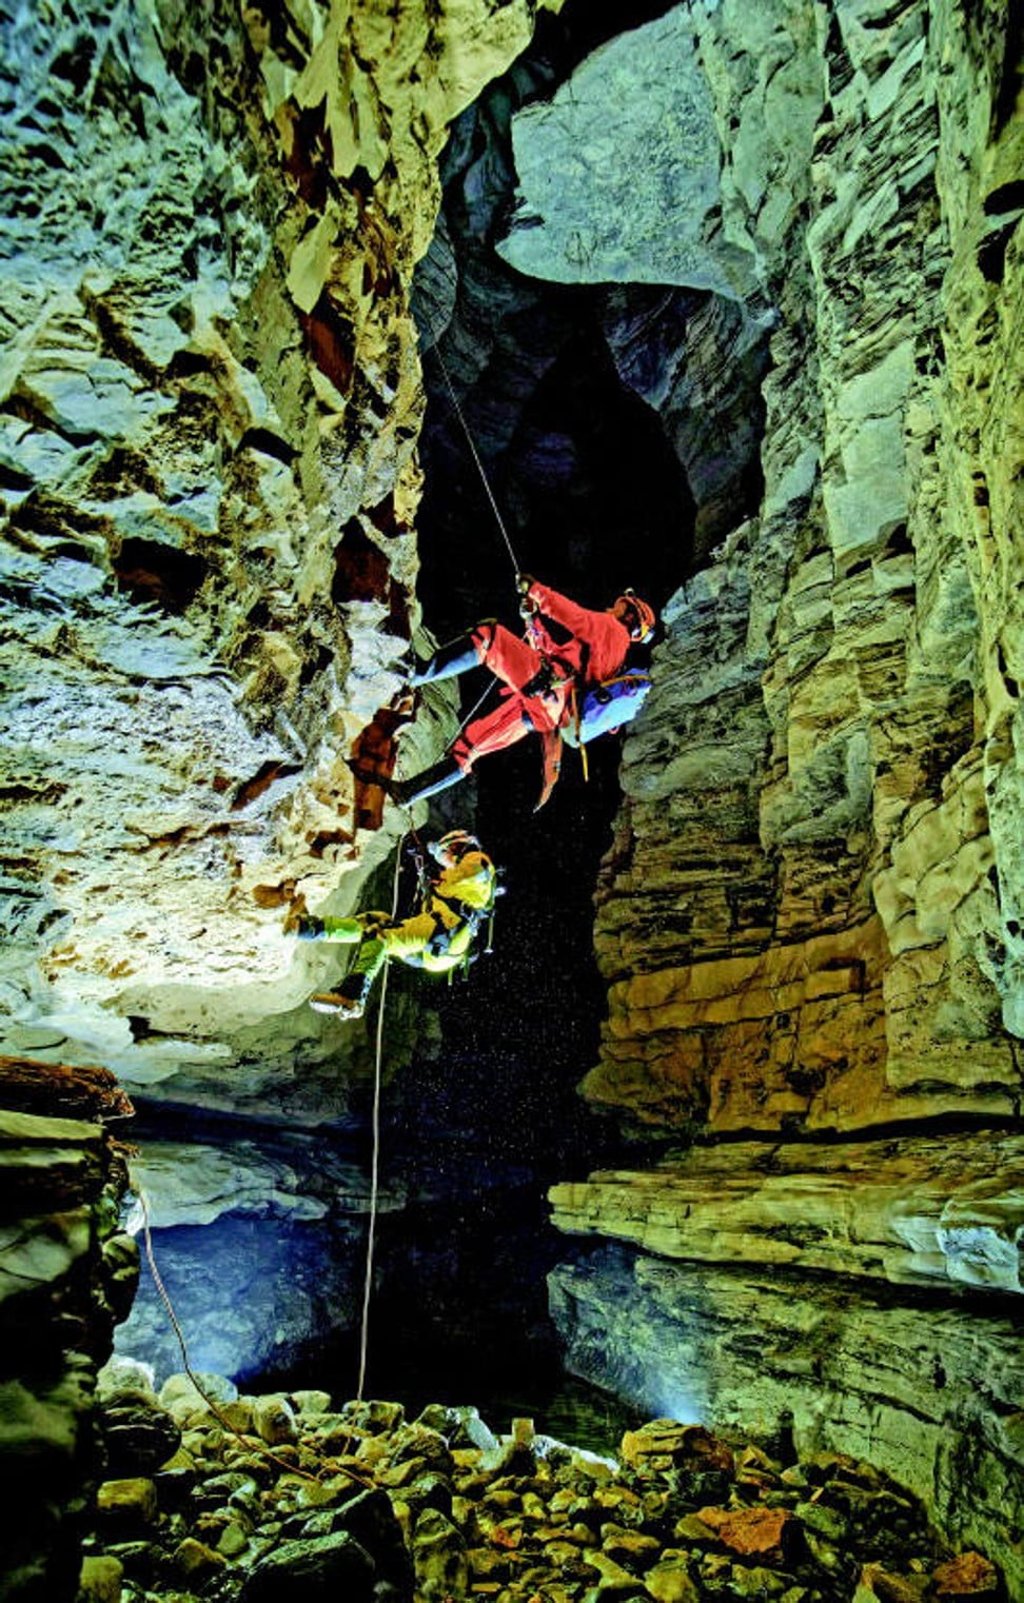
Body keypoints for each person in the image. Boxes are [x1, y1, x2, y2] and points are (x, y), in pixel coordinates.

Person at [389, 575, 656, 809]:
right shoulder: (618, 657)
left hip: (548, 689)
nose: (614, 604)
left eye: (622, 603)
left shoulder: (610, 628)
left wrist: (536, 589)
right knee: (470, 746)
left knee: (489, 637)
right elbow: (559, 657)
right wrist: (532, 622)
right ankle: (407, 794)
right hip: (545, 710)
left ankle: (416, 672)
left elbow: (572, 615)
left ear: (630, 613)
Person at [294, 830, 499, 1017]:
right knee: (377, 921)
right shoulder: (453, 879)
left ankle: (352, 997)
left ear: (454, 847)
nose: (443, 862)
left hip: (444, 932)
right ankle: (312, 929)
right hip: (438, 949)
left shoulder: (476, 859)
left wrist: (431, 865)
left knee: (379, 936)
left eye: (443, 854)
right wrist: (423, 862)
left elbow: (471, 873)